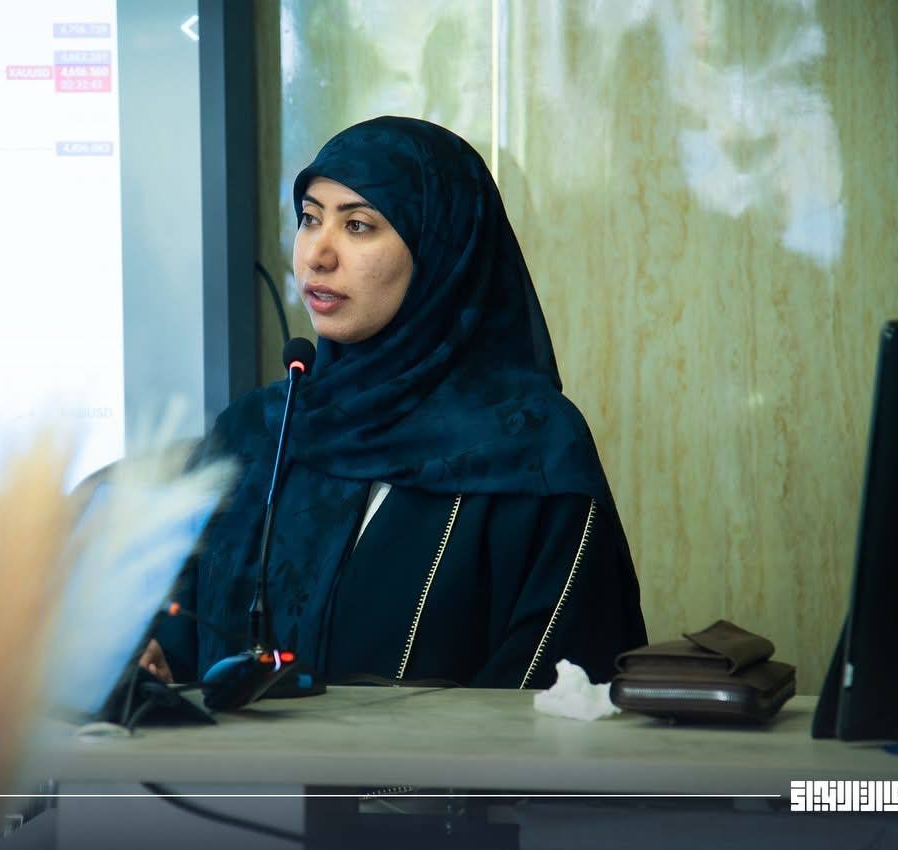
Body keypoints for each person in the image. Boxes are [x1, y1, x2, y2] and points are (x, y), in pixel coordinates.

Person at [144, 116, 646, 689]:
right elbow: (181, 624)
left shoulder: (530, 447)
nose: (317, 255)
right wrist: (154, 654)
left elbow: (560, 681)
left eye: (358, 225)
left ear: (440, 250)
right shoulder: (256, 432)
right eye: (310, 218)